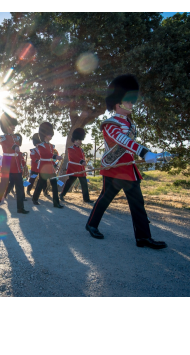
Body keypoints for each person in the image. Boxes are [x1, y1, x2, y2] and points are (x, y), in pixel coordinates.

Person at [85, 74, 167, 249]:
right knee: (105, 200)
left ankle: (143, 237)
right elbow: (122, 140)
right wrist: (143, 152)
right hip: (114, 168)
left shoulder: (130, 124)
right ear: (118, 103)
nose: (132, 104)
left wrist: (147, 155)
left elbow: (129, 146)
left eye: (132, 101)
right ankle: (91, 224)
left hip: (128, 168)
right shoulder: (110, 124)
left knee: (138, 204)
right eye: (128, 101)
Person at [0, 112, 29, 214]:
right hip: (7, 162)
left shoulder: (16, 137)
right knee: (4, 183)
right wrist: (14, 147)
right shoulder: (2, 137)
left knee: (19, 185)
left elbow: (16, 147)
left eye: (14, 125)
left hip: (16, 162)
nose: (13, 127)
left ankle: (20, 207)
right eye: (11, 125)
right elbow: (6, 145)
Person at [32, 122, 64, 208]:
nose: (51, 136)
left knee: (54, 184)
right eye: (49, 134)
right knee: (40, 184)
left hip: (50, 167)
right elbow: (46, 154)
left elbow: (50, 157)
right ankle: (35, 198)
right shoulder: (40, 145)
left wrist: (54, 164)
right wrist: (55, 156)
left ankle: (56, 203)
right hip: (43, 167)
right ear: (45, 135)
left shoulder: (51, 145)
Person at [60, 128, 94, 203]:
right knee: (69, 182)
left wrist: (83, 162)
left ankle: (86, 199)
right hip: (74, 168)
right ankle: (62, 194)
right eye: (79, 140)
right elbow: (74, 157)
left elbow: (82, 157)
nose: (80, 142)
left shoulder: (81, 149)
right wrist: (81, 161)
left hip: (81, 169)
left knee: (84, 183)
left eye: (80, 140)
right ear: (75, 140)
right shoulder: (70, 149)